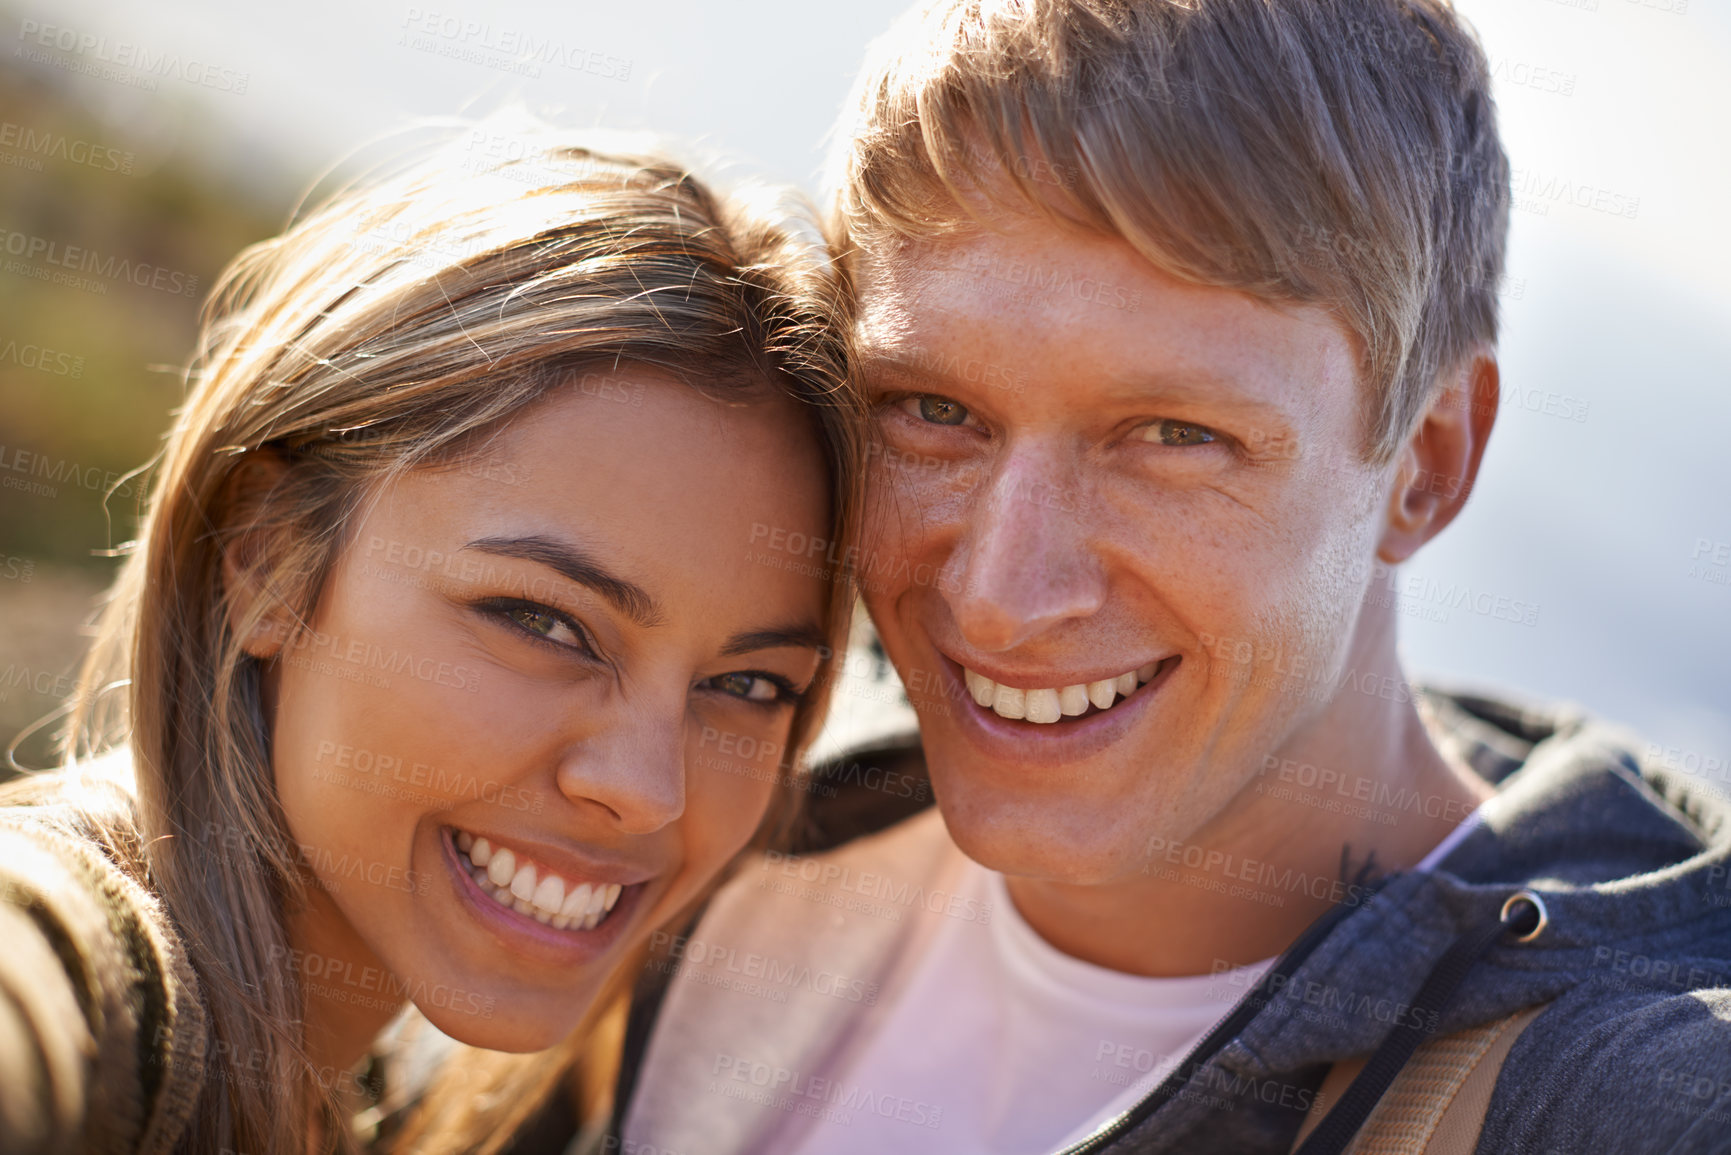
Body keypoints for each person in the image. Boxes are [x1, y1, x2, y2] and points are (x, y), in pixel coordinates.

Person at [605, 2, 1731, 1153]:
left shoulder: (1620, 1100)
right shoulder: (720, 832)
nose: (999, 593)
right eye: (935, 412)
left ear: (1428, 464)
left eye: (1173, 437)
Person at [0, 125, 863, 1155]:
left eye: (751, 685)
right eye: (545, 623)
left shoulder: (358, 1097)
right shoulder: (83, 959)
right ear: (267, 554)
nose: (647, 788)